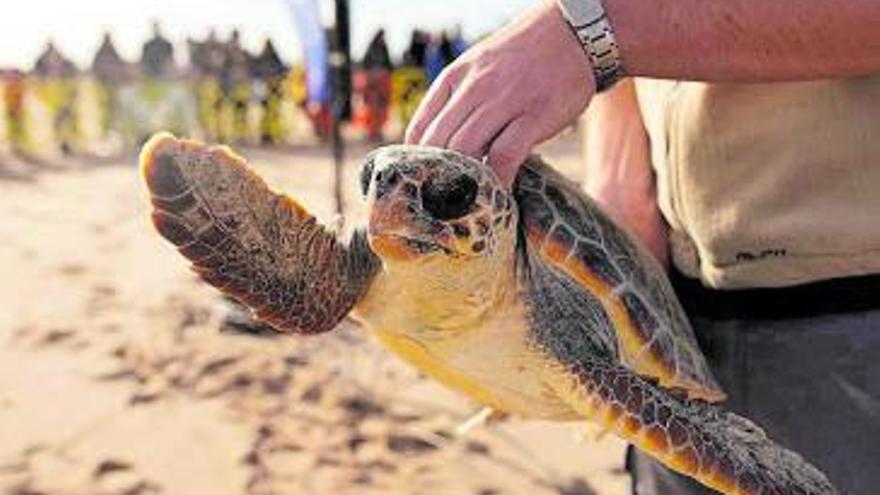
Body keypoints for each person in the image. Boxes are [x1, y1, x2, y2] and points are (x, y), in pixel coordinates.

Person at [405, 2, 880, 494]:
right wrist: (619, 178)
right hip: (676, 309)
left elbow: (599, 29)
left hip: (852, 318)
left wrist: (593, 34)